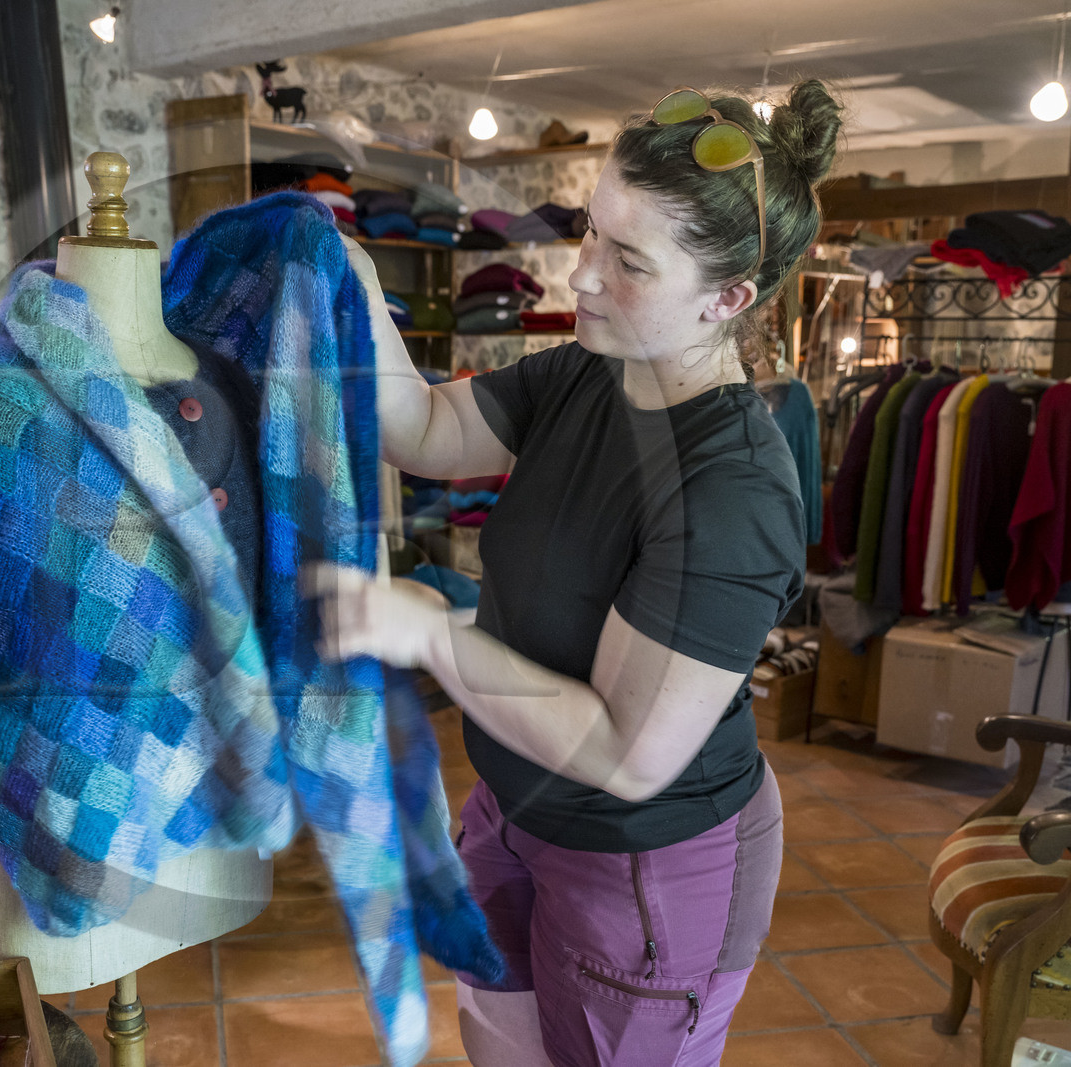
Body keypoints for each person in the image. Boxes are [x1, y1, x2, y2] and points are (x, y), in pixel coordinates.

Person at [306, 79, 843, 1066]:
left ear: (727, 298)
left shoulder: (731, 489)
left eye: (628, 260)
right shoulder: (592, 370)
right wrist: (353, 285)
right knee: (500, 1040)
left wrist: (429, 632)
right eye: (592, 230)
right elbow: (426, 430)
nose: (581, 274)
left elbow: (626, 751)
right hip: (513, 803)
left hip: (643, 865)